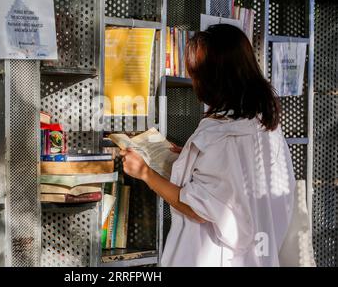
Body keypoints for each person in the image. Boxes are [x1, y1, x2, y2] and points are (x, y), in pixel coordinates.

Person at [120, 24, 296, 267]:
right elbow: (240, 183)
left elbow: (198, 209)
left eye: (195, 72)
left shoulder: (221, 133)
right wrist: (191, 160)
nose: (193, 80)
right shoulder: (264, 124)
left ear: (215, 76)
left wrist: (146, 174)